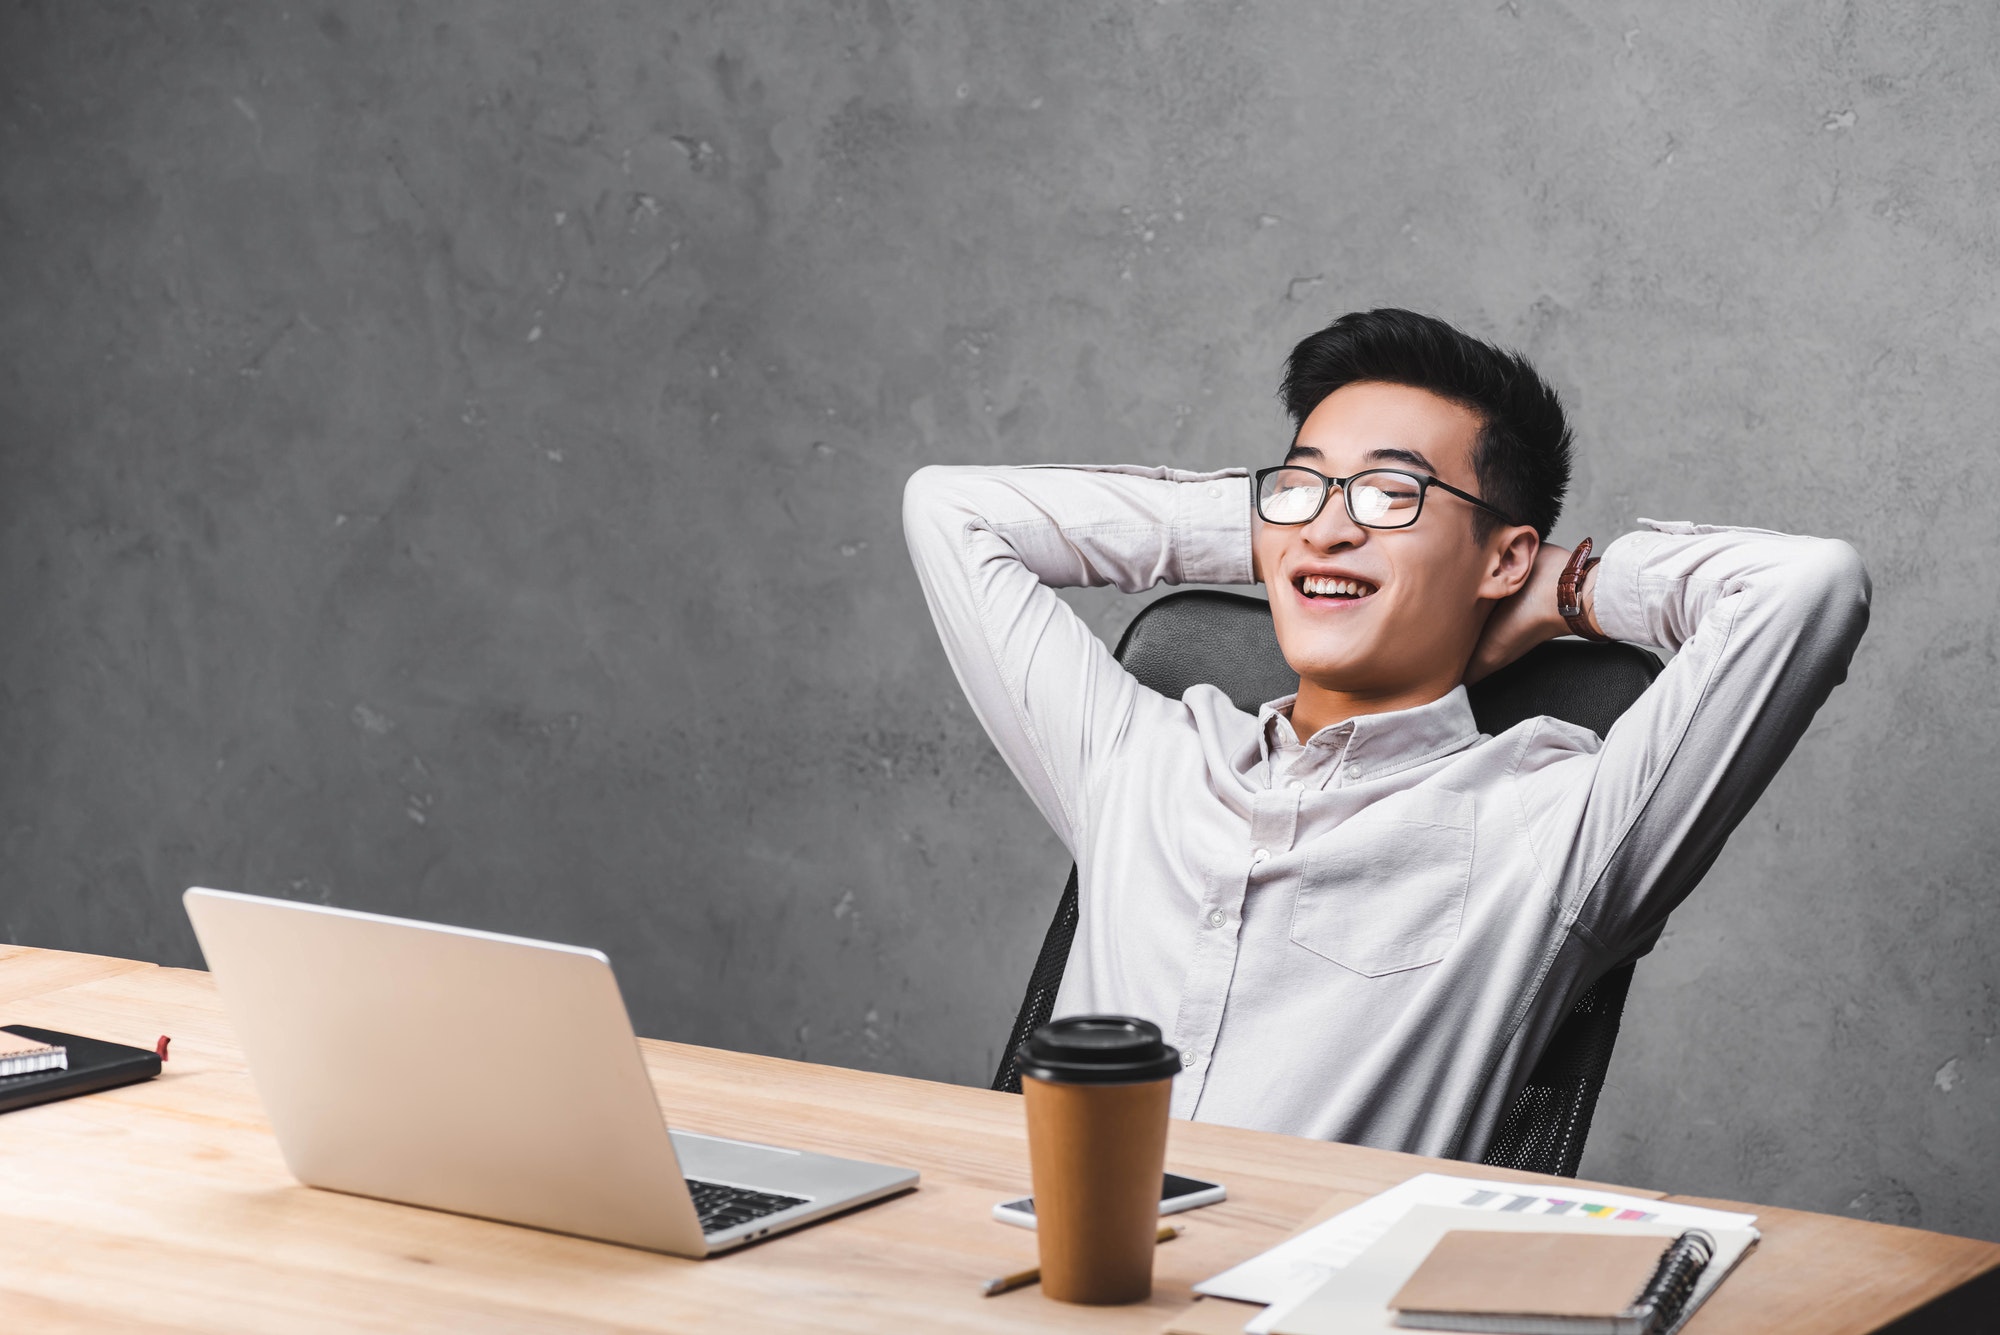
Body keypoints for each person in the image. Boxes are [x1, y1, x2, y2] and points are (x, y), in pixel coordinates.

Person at [902, 308, 1869, 1159]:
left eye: (1392, 494)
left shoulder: (1549, 827)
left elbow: (1805, 588)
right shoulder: (1138, 758)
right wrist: (1285, 525)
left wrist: (1567, 585)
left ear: (1506, 557)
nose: (1330, 528)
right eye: (1305, 484)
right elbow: (952, 511)